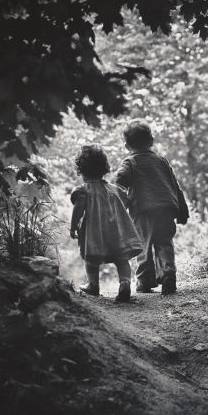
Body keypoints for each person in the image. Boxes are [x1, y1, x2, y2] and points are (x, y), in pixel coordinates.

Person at [116, 119, 189, 296]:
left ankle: (144, 281)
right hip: (166, 208)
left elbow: (121, 180)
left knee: (143, 245)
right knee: (164, 242)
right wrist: (182, 209)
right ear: (151, 141)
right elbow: (175, 185)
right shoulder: (162, 161)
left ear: (127, 146)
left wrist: (122, 196)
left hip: (143, 211)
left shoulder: (130, 162)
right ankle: (168, 272)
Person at [70, 144, 142, 302]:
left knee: (91, 260)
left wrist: (74, 225)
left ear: (82, 171)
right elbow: (127, 202)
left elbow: (79, 208)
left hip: (95, 233)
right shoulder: (115, 189)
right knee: (122, 259)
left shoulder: (83, 190)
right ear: (104, 169)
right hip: (117, 232)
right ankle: (124, 284)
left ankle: (93, 285)